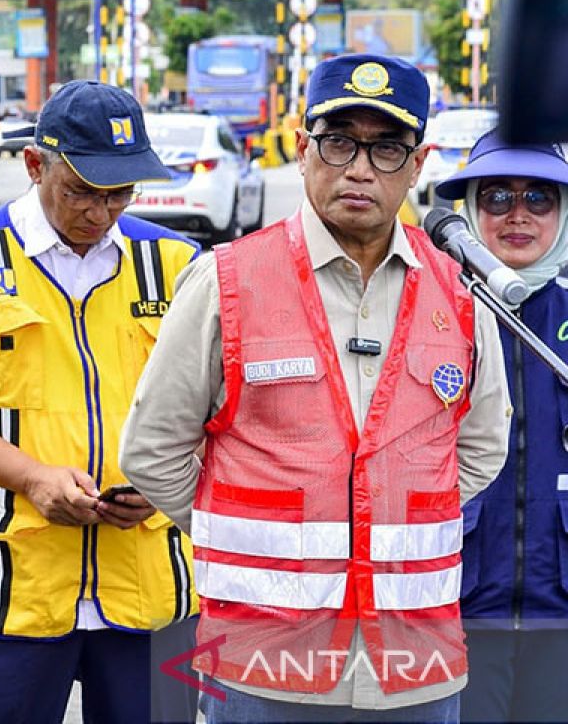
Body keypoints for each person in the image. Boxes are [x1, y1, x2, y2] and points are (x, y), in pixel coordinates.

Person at [119, 54, 511, 723]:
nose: (359, 169)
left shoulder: (460, 295)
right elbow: (152, 448)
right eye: (339, 143)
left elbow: (479, 448)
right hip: (260, 665)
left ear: (417, 168)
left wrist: (391, 515)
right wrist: (243, 532)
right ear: (303, 152)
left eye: (387, 149)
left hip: (415, 667)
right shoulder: (226, 282)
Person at [0, 79, 201, 723]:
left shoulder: (174, 263)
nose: (103, 210)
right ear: (36, 165)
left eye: (121, 192)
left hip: (147, 580)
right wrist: (32, 477)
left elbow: (218, 407)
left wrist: (171, 480)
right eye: (83, 190)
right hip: (6, 586)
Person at [435, 132, 568, 724]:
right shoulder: (432, 312)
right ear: (470, 211)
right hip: (455, 611)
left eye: (540, 197)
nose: (518, 214)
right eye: (497, 197)